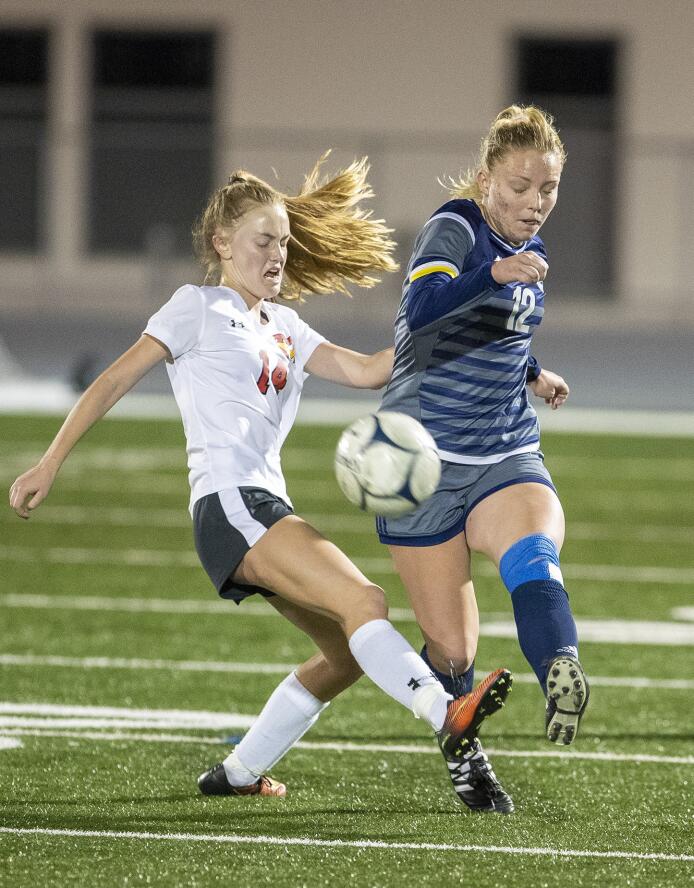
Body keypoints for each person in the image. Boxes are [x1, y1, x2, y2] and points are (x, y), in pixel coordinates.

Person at [9, 156, 513, 812]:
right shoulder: (196, 307)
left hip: (262, 506)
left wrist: (463, 328)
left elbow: (367, 371)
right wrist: (50, 461)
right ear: (222, 244)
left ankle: (240, 771)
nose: (278, 254)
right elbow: (112, 379)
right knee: (365, 603)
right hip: (229, 504)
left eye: (283, 242)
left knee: (344, 651)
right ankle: (447, 714)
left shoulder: (284, 325)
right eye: (262, 240)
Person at [376, 105, 590, 810]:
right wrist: (494, 273)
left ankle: (561, 664)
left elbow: (500, 332)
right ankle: (464, 754)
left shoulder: (531, 253)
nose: (536, 203)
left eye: (549, 189)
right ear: (486, 177)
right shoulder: (454, 228)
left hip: (503, 449)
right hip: (422, 463)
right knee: (455, 654)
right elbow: (427, 309)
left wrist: (535, 374)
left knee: (533, 550)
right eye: (521, 186)